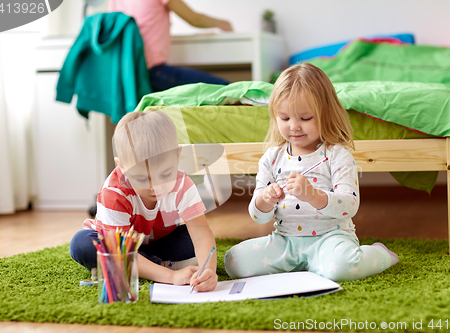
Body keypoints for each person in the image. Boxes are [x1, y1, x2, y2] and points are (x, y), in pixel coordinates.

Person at [223, 63, 399, 282]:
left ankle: (380, 254)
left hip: (329, 239)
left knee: (342, 269)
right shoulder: (271, 158)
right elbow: (257, 216)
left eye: (305, 118)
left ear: (326, 114)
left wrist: (313, 196)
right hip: (285, 242)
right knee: (233, 261)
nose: (294, 126)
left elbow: (350, 206)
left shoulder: (337, 155)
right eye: (285, 118)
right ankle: (305, 264)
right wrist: (265, 199)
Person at [70, 110, 218, 292]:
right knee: (82, 245)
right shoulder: (114, 192)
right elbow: (120, 250)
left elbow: (201, 232)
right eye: (141, 179)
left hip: (156, 243)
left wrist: (208, 270)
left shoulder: (182, 184)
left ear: (177, 155)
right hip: (118, 245)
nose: (155, 187)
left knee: (192, 239)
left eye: (165, 175)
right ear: (122, 167)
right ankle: (158, 267)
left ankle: (136, 267)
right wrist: (171, 277)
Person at [109, 0, 233, 92]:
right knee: (229, 91)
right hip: (153, 72)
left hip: (128, 75)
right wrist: (224, 24)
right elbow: (195, 19)